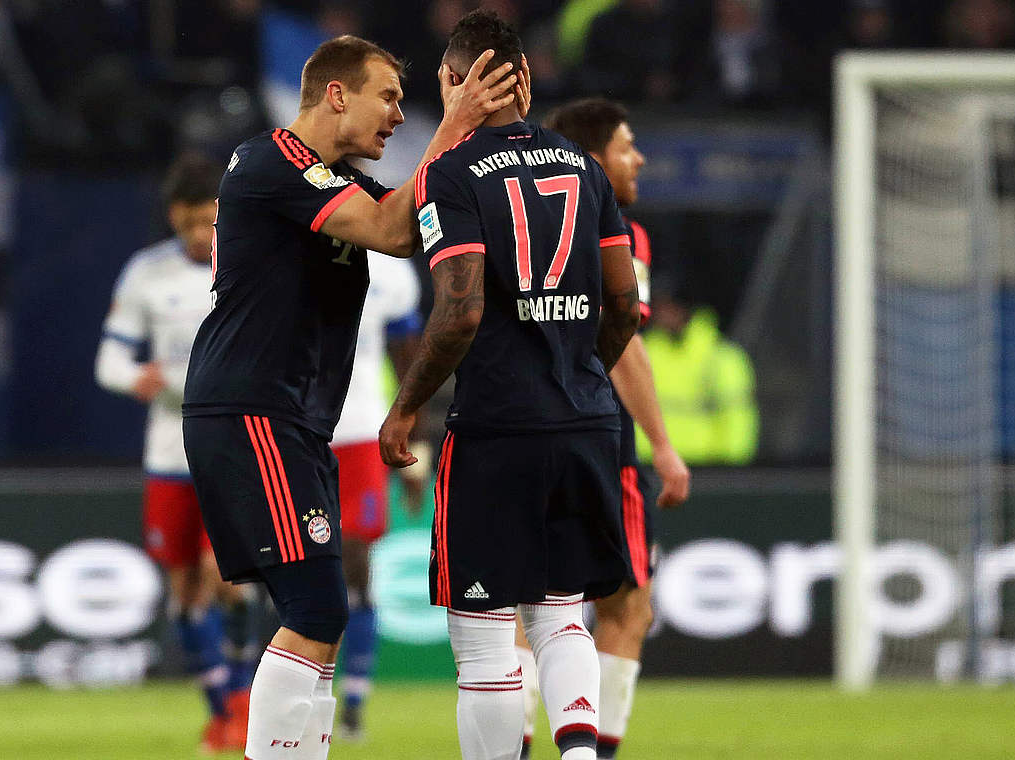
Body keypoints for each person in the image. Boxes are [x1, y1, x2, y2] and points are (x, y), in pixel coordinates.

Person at [182, 33, 519, 759]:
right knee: (316, 605)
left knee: (321, 612)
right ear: (337, 94)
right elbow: (389, 225)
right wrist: (454, 121)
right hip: (252, 410)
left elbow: (403, 233)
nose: (400, 116)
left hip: (293, 419)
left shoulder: (330, 178)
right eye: (389, 97)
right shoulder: (273, 161)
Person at [378, 11, 641, 760]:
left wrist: (407, 408)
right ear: (525, 80)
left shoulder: (451, 177)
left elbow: (460, 311)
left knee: (485, 633)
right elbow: (624, 303)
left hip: (498, 426)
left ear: (453, 85)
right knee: (561, 616)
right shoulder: (586, 169)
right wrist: (577, 365)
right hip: (586, 418)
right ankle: (583, 755)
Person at [542, 97, 691, 759]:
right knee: (628, 608)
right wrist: (662, 445)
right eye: (629, 146)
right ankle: (593, 755)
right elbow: (624, 342)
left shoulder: (508, 215)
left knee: (522, 609)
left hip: (504, 425)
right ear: (596, 158)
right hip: (598, 438)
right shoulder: (618, 233)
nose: (640, 159)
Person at [95, 153, 259, 753]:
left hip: (236, 448)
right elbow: (109, 360)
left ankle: (242, 700)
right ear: (173, 217)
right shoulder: (146, 273)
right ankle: (221, 709)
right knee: (185, 591)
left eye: (211, 221)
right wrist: (138, 378)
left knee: (229, 578)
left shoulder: (249, 263)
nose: (201, 235)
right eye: (191, 222)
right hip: (169, 452)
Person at [328, 252, 424, 741]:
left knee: (355, 566)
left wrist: (414, 446)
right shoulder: (284, 244)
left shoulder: (389, 269)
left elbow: (409, 361)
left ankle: (353, 703)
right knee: (297, 568)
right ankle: (304, 696)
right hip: (295, 429)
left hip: (361, 431)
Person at [638, 291, 758, 464]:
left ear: (685, 308)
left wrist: (732, 472)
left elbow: (738, 420)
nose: (663, 313)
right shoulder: (644, 352)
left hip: (707, 469)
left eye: (670, 305)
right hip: (651, 467)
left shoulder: (721, 357)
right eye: (659, 305)